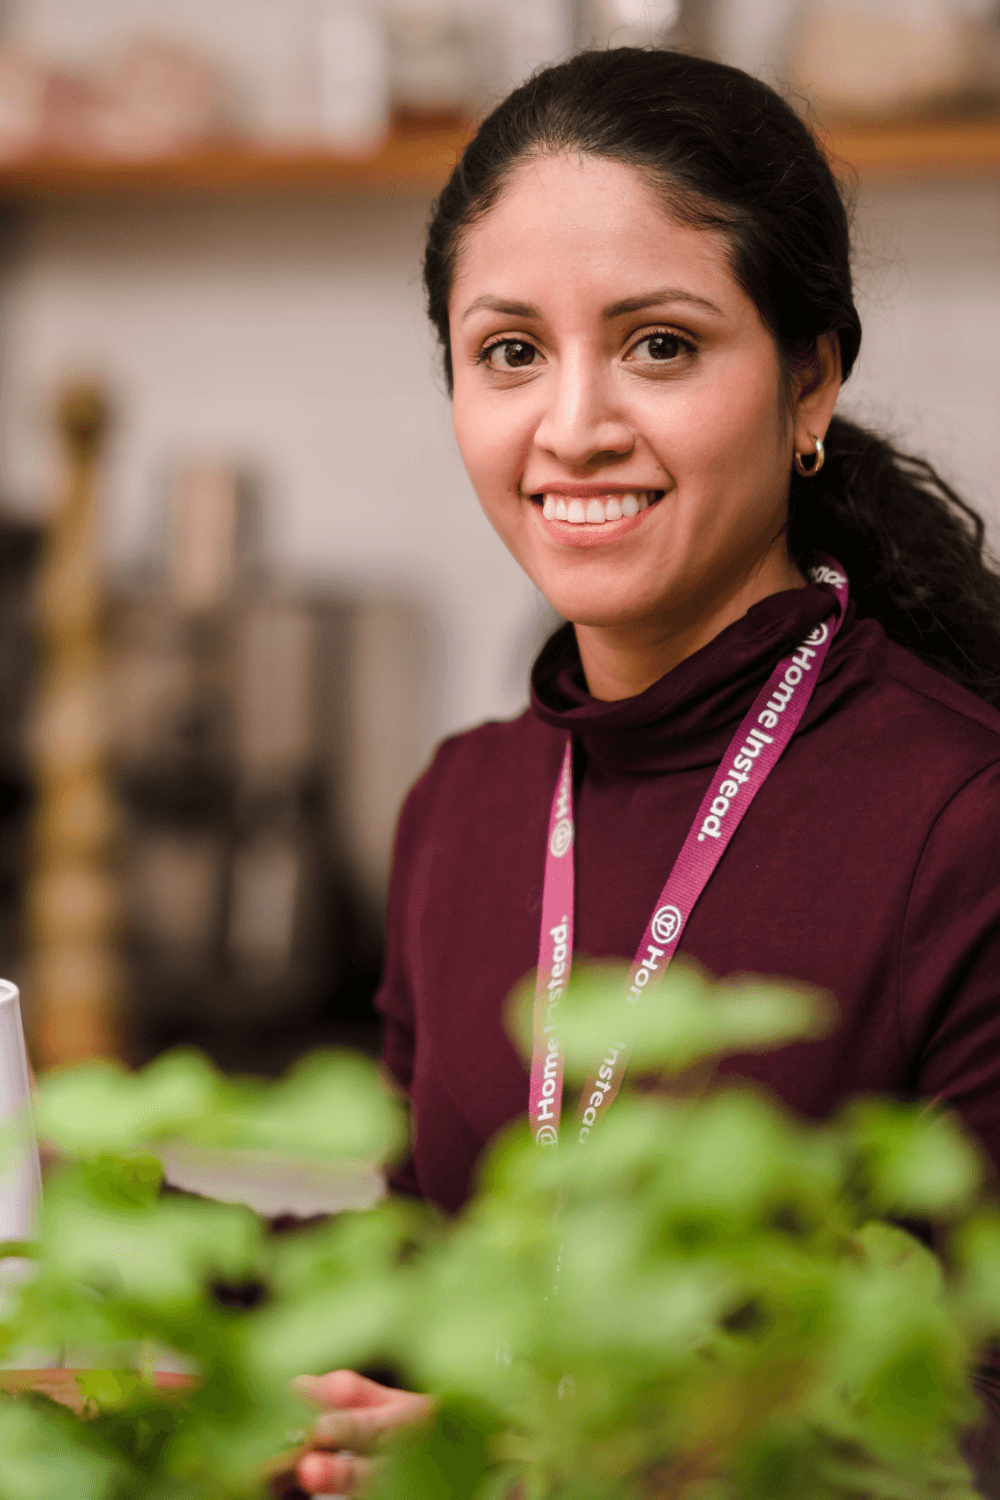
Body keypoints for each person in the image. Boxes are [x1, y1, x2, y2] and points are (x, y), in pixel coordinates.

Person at [294, 45, 1000, 1495]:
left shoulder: (965, 818)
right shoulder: (463, 805)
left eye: (660, 344)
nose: (573, 427)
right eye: (509, 352)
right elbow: (432, 1275)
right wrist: (91, 1242)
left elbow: (976, 1416)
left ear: (811, 382)